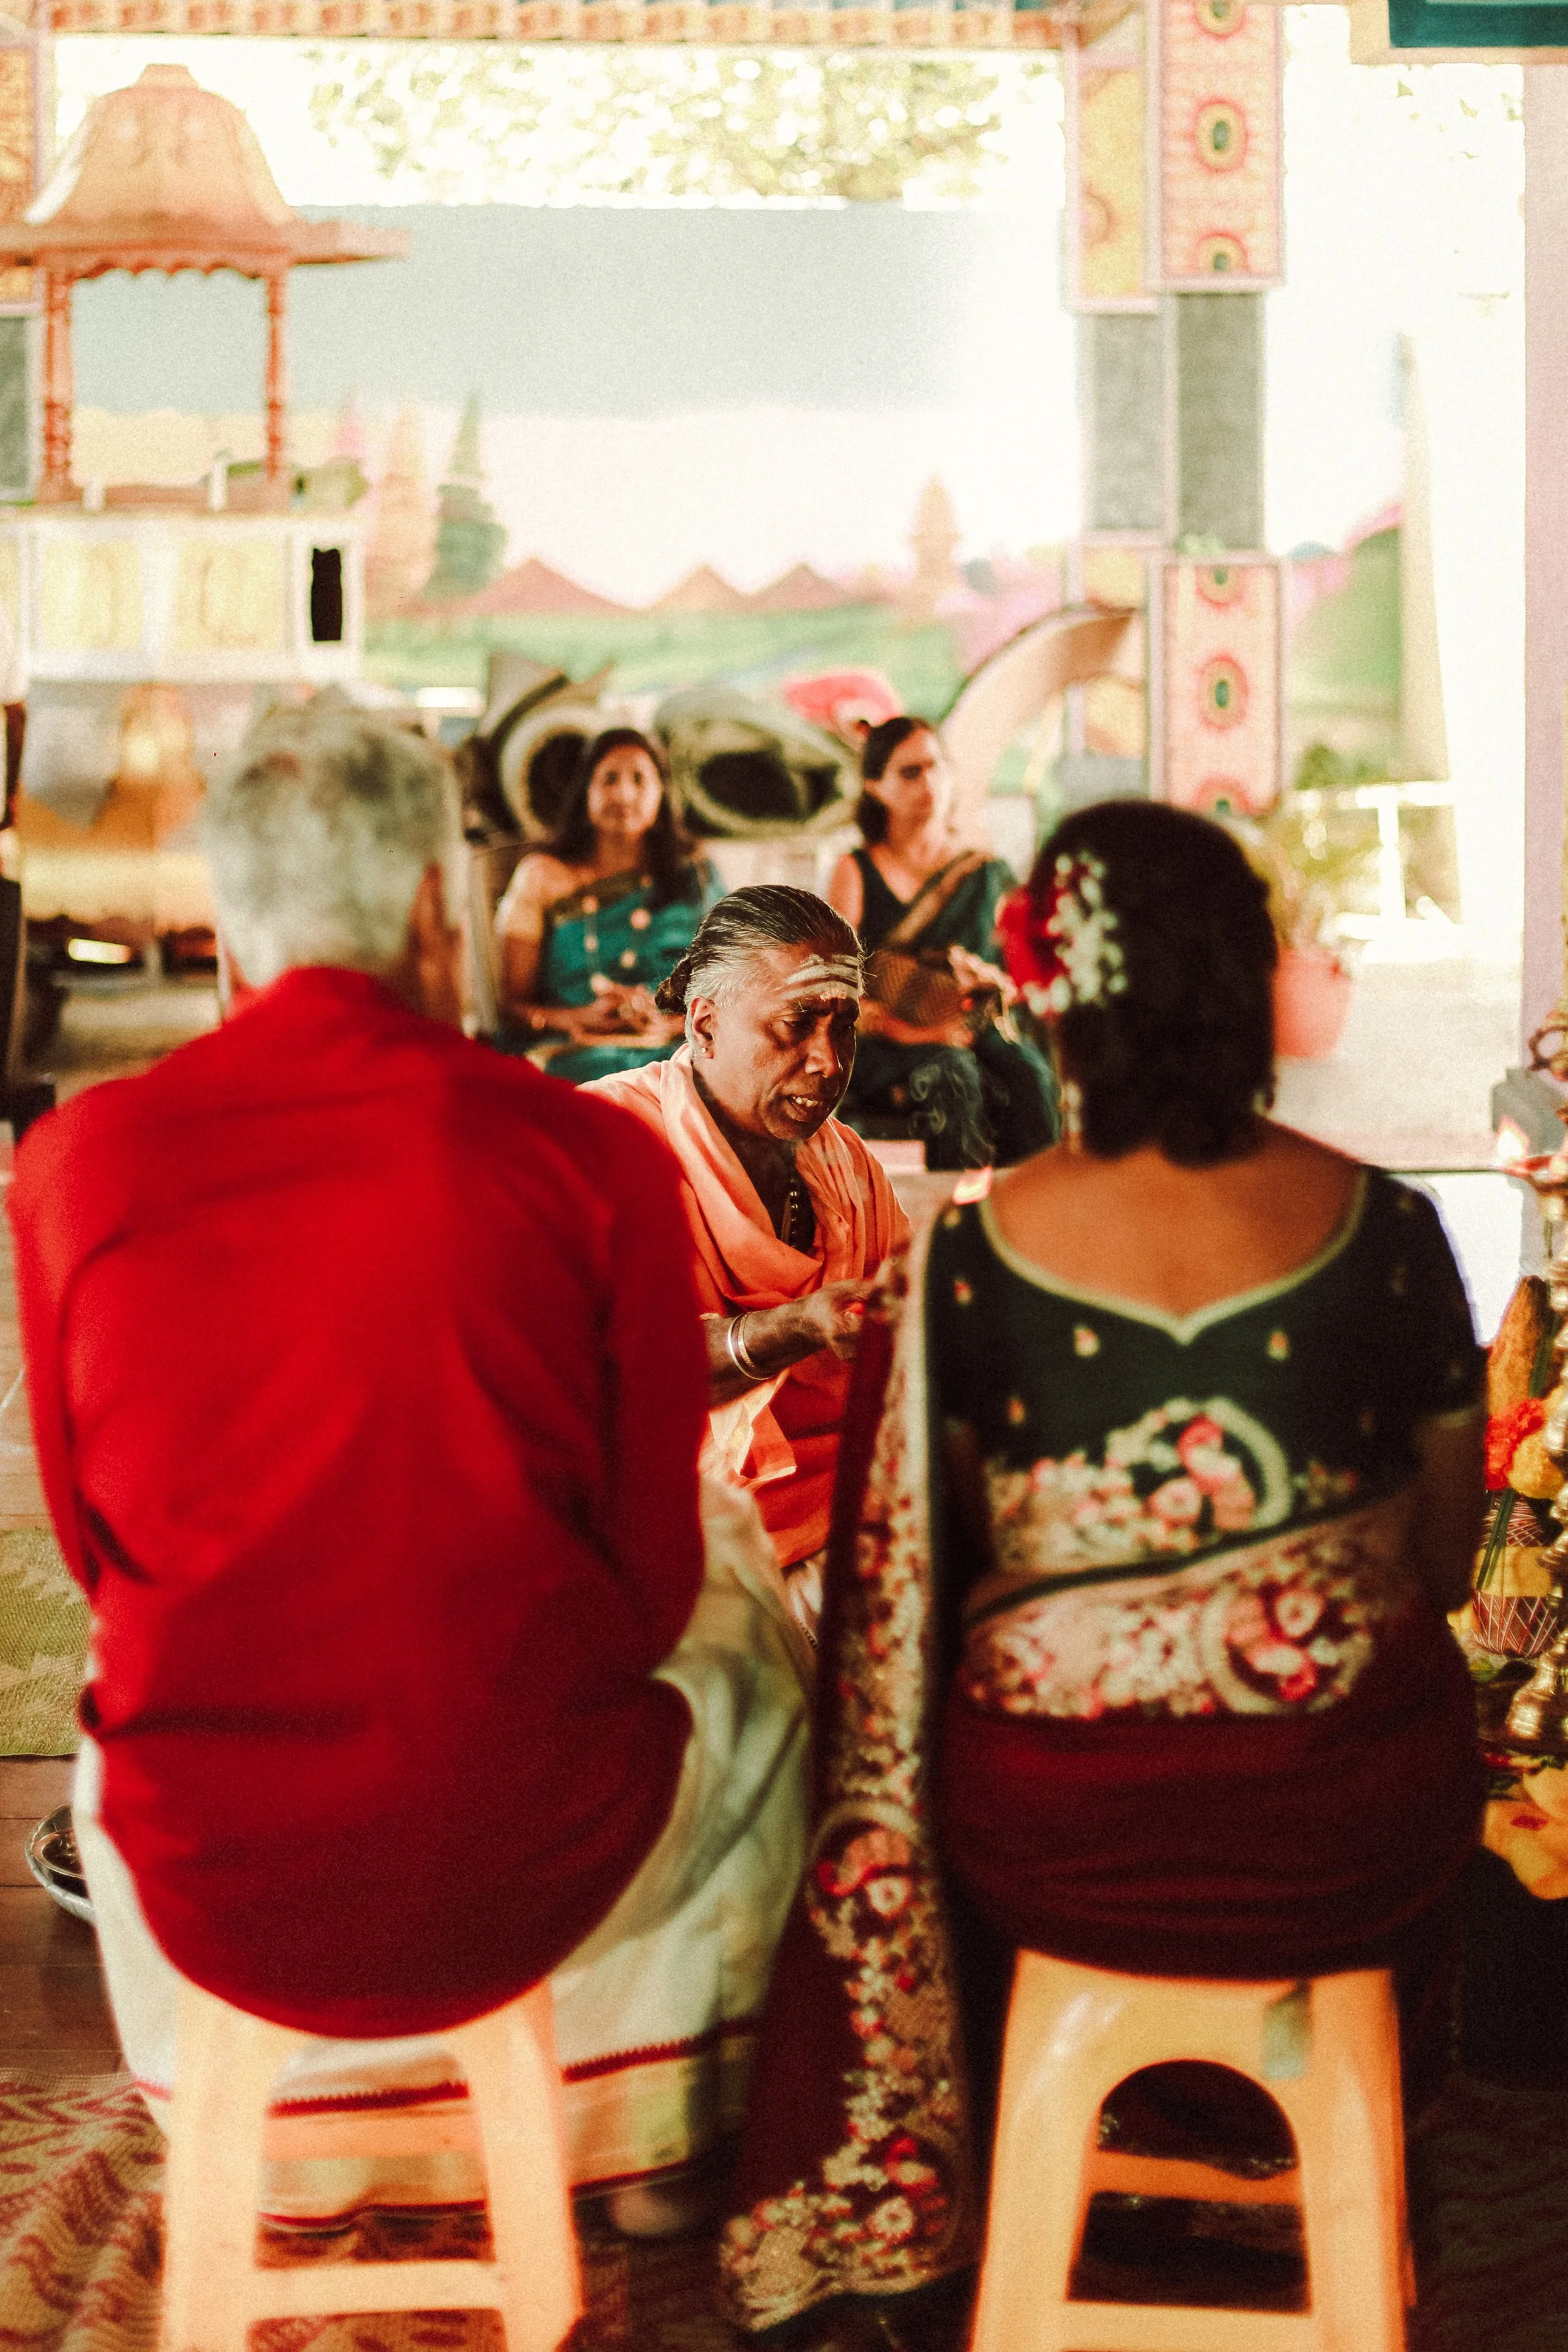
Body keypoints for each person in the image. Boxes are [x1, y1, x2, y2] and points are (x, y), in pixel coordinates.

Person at [11, 701, 808, 2243]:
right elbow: (646, 1590)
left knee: (114, 1723)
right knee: (755, 1644)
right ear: (443, 906)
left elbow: (103, 1558)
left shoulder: (76, 1164)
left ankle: (290, 2135)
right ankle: (643, 2139)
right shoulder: (593, 1157)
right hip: (537, 1850)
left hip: (217, 1875)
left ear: (231, 932)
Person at [721, 801, 1485, 2331]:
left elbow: (911, 1600)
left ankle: (1062, 2150)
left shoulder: (969, 1261)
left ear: (1053, 999)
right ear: (1247, 984)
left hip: (1061, 1839)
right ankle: (1357, 2156)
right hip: (1348, 1833)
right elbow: (1441, 1554)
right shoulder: (1392, 1233)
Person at [586, 886, 909, 1628]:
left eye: (844, 1029)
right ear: (704, 1028)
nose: (827, 1063)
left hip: (851, 1506)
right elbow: (613, 1364)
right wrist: (791, 1329)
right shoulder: (606, 1142)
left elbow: (908, 1310)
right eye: (795, 1025)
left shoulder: (844, 1163)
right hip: (685, 1544)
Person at [826, 714, 1057, 1168]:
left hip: (972, 1029)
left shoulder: (984, 872)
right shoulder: (854, 872)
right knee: (953, 1077)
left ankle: (1033, 1218)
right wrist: (917, 1032)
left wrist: (990, 983)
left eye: (936, 767)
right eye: (910, 772)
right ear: (876, 787)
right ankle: (960, 1226)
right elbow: (836, 987)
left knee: (1031, 1076)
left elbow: (1019, 976)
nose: (928, 782)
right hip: (884, 1037)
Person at [494, 724, 723, 1081]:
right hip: (571, 1051)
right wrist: (577, 1018)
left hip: (675, 1050)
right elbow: (511, 1008)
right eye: (609, 779)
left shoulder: (694, 875)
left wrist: (665, 1026)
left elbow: (731, 987)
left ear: (662, 794)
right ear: (586, 791)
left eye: (639, 779)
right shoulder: (542, 875)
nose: (624, 794)